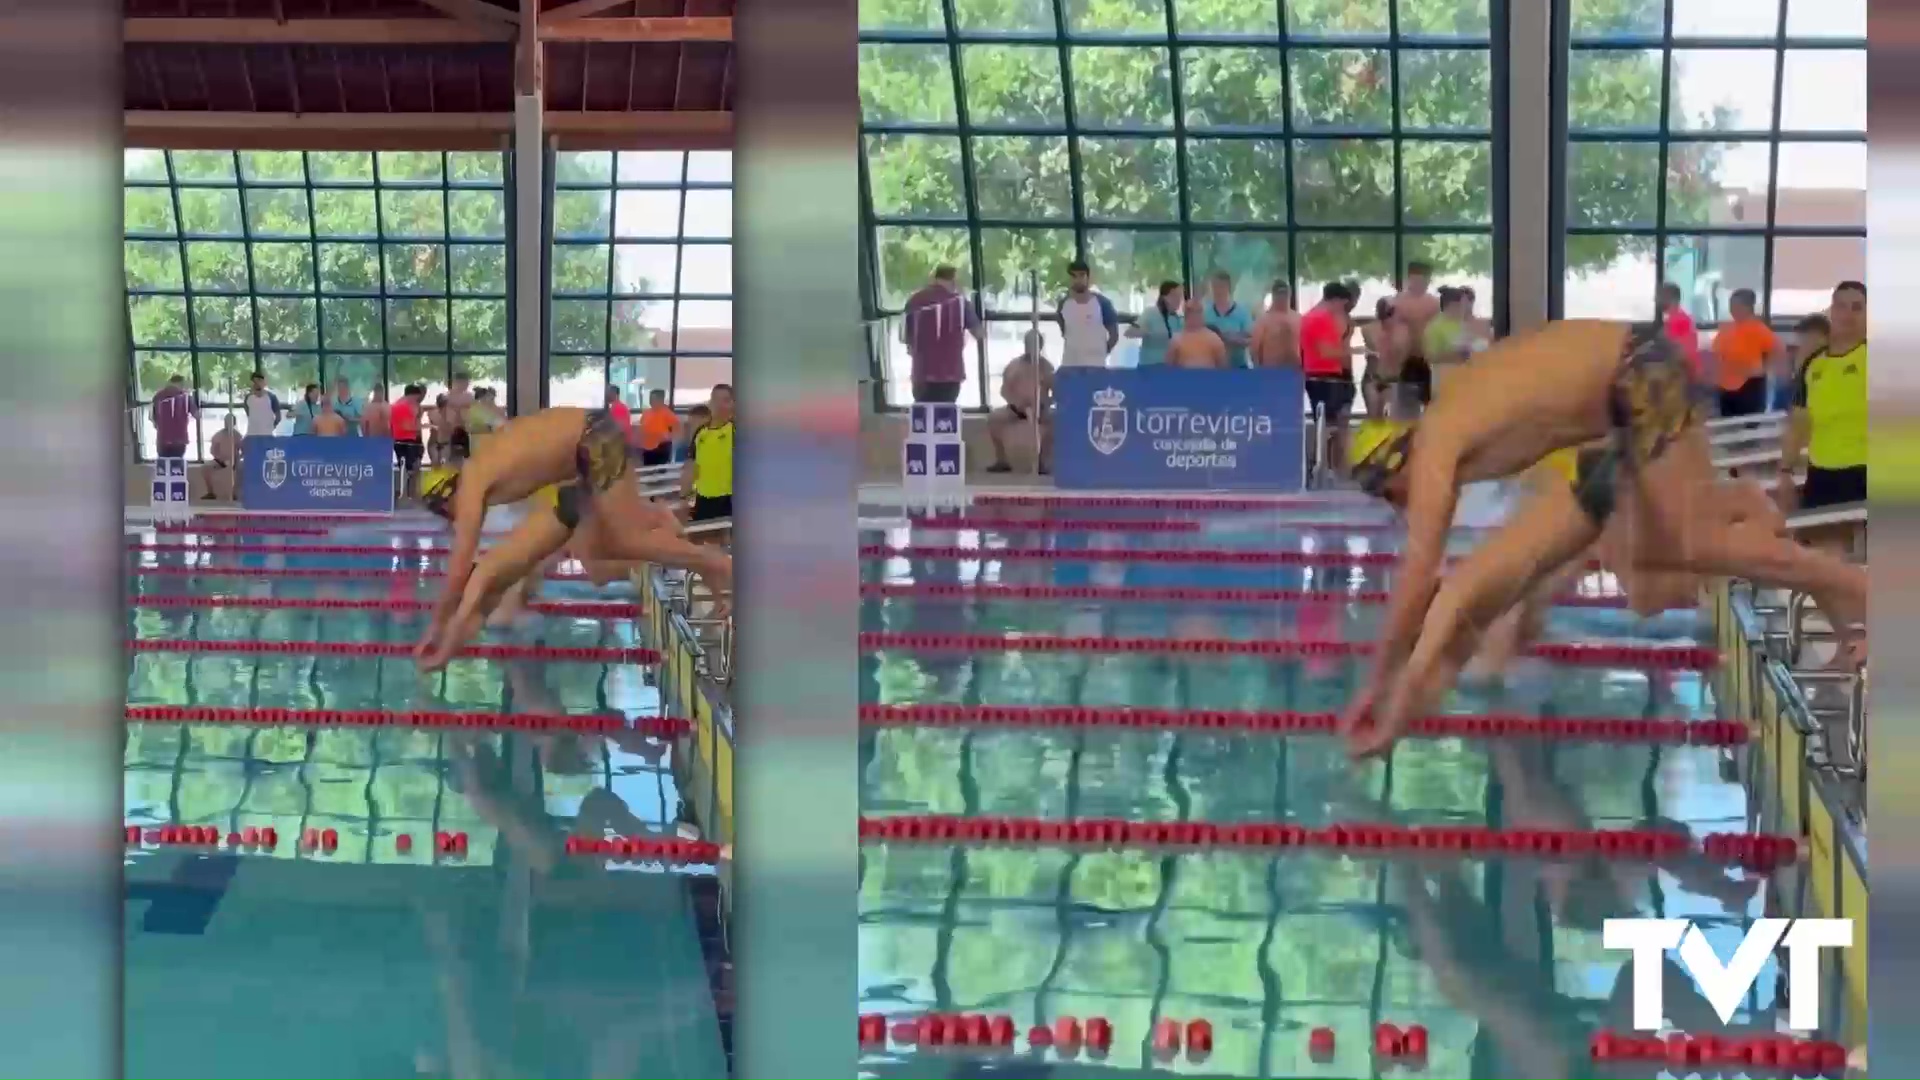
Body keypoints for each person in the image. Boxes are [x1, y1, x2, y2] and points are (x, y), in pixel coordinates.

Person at [1339, 319, 1869, 757]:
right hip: (1617, 415)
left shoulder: (1435, 442)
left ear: (1397, 456)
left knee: (1690, 542)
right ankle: (1801, 556)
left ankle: (1862, 588)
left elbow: (1418, 577)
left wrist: (1378, 681)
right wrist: (1399, 706)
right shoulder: (1456, 442)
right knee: (1651, 570)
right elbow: (1465, 593)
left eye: (1387, 491)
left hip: (1637, 373)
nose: (1397, 504)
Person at [413, 406, 732, 671]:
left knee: (626, 538)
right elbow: (477, 593)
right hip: (579, 464)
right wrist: (448, 639)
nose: (451, 519)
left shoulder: (470, 483)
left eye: (444, 512)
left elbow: (458, 570)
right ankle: (702, 561)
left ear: (444, 496)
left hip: (593, 441)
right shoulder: (479, 477)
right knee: (604, 549)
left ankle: (715, 562)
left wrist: (436, 628)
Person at [1778, 281, 1866, 512]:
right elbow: (1798, 423)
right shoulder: (1813, 363)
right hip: (1821, 474)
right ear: (1831, 311)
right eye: (1841, 306)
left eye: (1857, 307)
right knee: (1820, 545)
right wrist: (1785, 471)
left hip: (1865, 472)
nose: (1848, 314)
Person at [902, 265, 981, 404]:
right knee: (945, 416)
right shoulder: (960, 302)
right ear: (954, 280)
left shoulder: (914, 300)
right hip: (950, 374)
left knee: (923, 415)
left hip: (921, 373)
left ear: (934, 278)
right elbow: (980, 334)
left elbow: (905, 338)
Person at [1300, 282, 1355, 472]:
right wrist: (1354, 351)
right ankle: (1322, 467)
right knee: (1328, 425)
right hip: (1325, 375)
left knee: (1325, 423)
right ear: (1335, 300)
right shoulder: (1321, 319)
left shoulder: (1309, 316)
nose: (1342, 309)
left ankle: (1323, 466)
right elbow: (1326, 353)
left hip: (1316, 374)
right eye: (1342, 304)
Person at [986, 330, 1054, 474]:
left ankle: (1042, 462)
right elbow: (1004, 390)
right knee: (993, 419)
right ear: (1025, 345)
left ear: (1041, 346)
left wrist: (1044, 404)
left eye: (1036, 344)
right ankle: (1002, 460)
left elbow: (1055, 392)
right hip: (1016, 409)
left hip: (1040, 409)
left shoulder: (1047, 367)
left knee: (1057, 422)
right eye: (1030, 344)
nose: (1033, 347)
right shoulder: (1014, 366)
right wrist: (1018, 404)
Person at [1709, 288, 1779, 418]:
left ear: (1748, 307)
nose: (1732, 309)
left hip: (1750, 387)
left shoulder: (1760, 330)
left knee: (1748, 429)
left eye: (1736, 306)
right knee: (1728, 428)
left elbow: (1776, 354)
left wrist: (1761, 370)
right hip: (1725, 389)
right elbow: (1715, 353)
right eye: (1730, 306)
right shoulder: (1727, 329)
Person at [681, 384, 734, 524]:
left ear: (733, 404)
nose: (720, 405)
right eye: (716, 400)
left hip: (728, 500)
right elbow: (691, 468)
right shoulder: (700, 433)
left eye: (726, 400)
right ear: (710, 403)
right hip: (702, 499)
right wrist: (683, 497)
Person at [1392, 261, 1440, 408]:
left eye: (1424, 279)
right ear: (1409, 278)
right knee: (1406, 406)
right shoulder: (1398, 302)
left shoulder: (1434, 303)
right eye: (1417, 279)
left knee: (1430, 404)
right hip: (1405, 359)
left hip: (1428, 359)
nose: (1420, 283)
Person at [1056, 259, 1119, 368]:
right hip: (1070, 365)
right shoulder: (1063, 304)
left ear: (1088, 278)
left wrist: (1102, 353)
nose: (1078, 280)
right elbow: (1064, 331)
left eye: (1081, 275)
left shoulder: (1103, 303)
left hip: (1095, 367)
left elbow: (1114, 335)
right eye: (1074, 276)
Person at [1200, 271, 1254, 369]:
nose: (1218, 290)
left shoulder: (1242, 311)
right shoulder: (1205, 313)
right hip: (1212, 368)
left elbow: (1251, 338)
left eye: (1221, 286)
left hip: (1238, 366)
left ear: (1229, 288)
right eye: (1214, 286)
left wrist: (1234, 339)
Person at [1360, 297, 1403, 419]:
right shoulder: (1368, 329)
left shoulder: (1401, 331)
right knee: (1374, 419)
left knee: (1387, 419)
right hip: (1373, 378)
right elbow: (1377, 346)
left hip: (1391, 379)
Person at [1126, 281, 1183, 367]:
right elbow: (1129, 333)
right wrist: (1146, 332)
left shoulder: (1177, 319)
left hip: (1171, 367)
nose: (1178, 300)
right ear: (1164, 297)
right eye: (1175, 296)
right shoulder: (1151, 312)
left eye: (1180, 296)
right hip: (1150, 366)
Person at [1165, 297, 1228, 369]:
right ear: (1185, 315)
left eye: (1198, 312)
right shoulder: (1176, 340)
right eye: (1190, 311)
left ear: (1202, 314)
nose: (1194, 315)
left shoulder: (1214, 339)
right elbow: (1168, 369)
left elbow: (1223, 368)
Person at [1657, 282, 1702, 380]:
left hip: (1685, 374)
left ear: (1673, 299)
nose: (1657, 301)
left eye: (1661, 297)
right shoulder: (1677, 318)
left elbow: (1683, 354)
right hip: (1682, 370)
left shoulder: (1680, 320)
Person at [1249, 280, 1298, 369]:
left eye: (1285, 294)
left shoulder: (1298, 318)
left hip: (1295, 370)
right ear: (1274, 296)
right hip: (1271, 371)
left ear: (1289, 295)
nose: (1282, 298)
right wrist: (1258, 371)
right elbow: (1254, 349)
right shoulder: (1263, 320)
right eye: (1279, 295)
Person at [391, 384, 427, 496]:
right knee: (410, 468)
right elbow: (408, 426)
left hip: (407, 439)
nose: (421, 398)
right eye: (420, 395)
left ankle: (410, 493)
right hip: (408, 439)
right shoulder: (405, 406)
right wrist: (428, 426)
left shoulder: (404, 404)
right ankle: (408, 493)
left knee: (409, 467)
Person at [150, 374, 194, 459]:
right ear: (181, 384)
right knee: (176, 467)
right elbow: (197, 415)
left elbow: (153, 419)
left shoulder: (158, 396)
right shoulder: (186, 397)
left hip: (162, 440)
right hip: (179, 440)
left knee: (163, 467)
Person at [637, 389, 680, 467]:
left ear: (661, 400)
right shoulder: (646, 413)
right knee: (648, 471)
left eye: (653, 399)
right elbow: (641, 428)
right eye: (650, 398)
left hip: (661, 448)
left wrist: (666, 437)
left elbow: (677, 431)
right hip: (647, 448)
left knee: (659, 473)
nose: (651, 401)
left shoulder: (667, 413)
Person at [204, 413, 240, 500]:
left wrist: (236, 459)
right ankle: (210, 492)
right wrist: (220, 459)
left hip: (233, 461)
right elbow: (212, 450)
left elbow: (243, 450)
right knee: (205, 468)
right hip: (219, 461)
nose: (228, 423)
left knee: (237, 471)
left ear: (234, 423)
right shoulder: (218, 435)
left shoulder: (237, 436)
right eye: (226, 421)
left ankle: (233, 493)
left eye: (230, 422)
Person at [242, 373, 284, 438]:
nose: (257, 384)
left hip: (267, 435)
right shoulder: (248, 398)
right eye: (254, 382)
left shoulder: (271, 397)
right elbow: (248, 413)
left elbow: (278, 417)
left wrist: (271, 427)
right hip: (252, 434)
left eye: (259, 381)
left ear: (264, 383)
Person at [445, 371, 475, 460]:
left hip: (466, 430)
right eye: (465, 382)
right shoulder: (448, 396)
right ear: (457, 382)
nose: (467, 384)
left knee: (466, 458)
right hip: (451, 430)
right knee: (452, 458)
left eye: (468, 382)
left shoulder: (470, 396)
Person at [427, 393, 455, 465]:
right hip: (435, 443)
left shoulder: (451, 414)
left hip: (445, 443)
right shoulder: (432, 413)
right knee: (436, 461)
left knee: (443, 463)